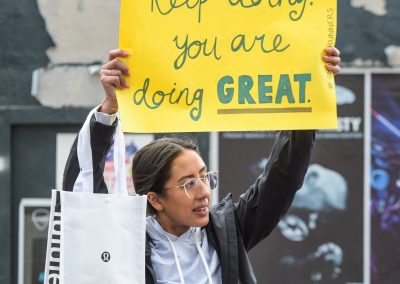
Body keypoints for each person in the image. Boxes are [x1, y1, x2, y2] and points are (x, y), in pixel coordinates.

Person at [63, 47, 341, 284]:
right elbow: (82, 187)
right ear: (155, 199)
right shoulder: (127, 245)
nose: (204, 192)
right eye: (189, 183)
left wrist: (310, 92)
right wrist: (110, 106)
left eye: (205, 178)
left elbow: (284, 176)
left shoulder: (228, 232)